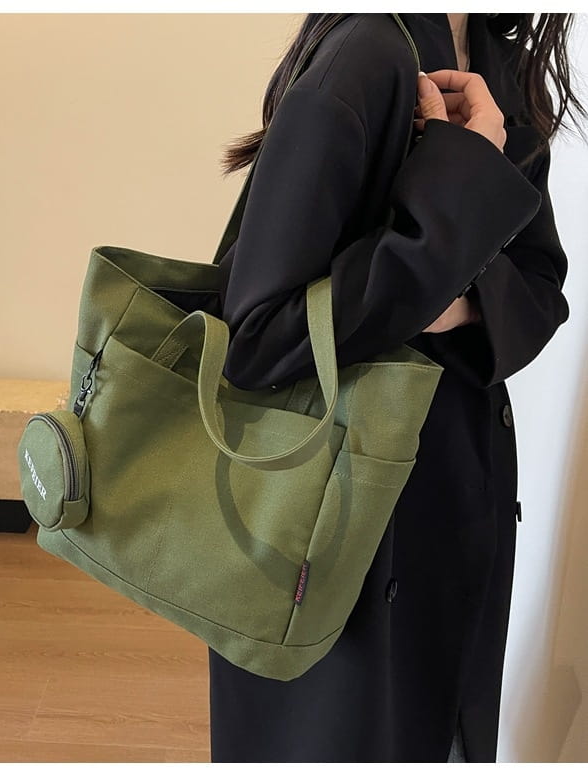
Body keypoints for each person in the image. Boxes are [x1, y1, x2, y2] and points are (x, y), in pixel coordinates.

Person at [208, 12, 586, 763]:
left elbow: (541, 285)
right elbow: (257, 336)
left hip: (450, 504)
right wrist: (461, 175)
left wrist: (460, 301)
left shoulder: (501, 58)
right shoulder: (368, 52)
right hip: (337, 533)